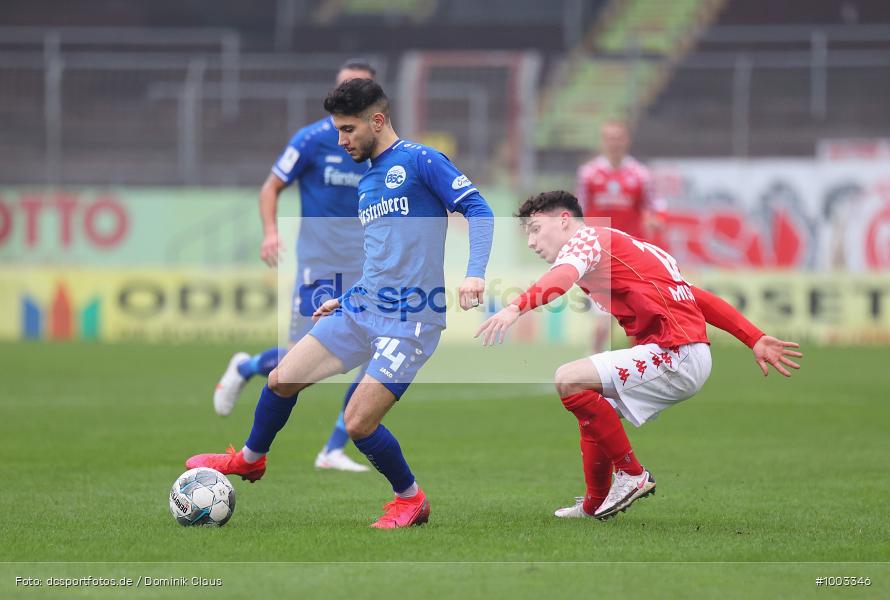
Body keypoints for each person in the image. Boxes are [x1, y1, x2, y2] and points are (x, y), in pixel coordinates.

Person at [187, 79, 495, 528]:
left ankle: (411, 499)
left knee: (357, 424)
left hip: (410, 320)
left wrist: (475, 273)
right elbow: (382, 258)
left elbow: (479, 210)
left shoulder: (421, 160)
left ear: (377, 120)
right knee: (281, 378)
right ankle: (251, 460)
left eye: (348, 129)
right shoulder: (369, 180)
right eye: (337, 130)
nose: (341, 140)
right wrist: (346, 299)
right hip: (361, 309)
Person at [476, 190, 801, 520]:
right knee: (594, 413)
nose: (531, 241)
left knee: (568, 379)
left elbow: (559, 280)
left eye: (534, 228)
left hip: (675, 353)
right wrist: (754, 337)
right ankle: (595, 504)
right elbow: (695, 297)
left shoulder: (586, 240)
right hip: (679, 352)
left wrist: (515, 308)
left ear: (563, 221)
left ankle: (631, 474)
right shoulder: (623, 246)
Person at [212, 59, 377, 473]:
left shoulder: (380, 147)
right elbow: (271, 186)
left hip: (366, 269)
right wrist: (270, 232)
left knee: (377, 351)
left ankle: (333, 449)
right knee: (299, 358)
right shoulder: (311, 140)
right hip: (320, 266)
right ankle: (247, 366)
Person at [576, 120, 665, 351]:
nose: (614, 143)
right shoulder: (588, 174)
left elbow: (655, 205)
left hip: (631, 257)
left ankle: (638, 372)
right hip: (600, 256)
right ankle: (593, 374)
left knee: (638, 319)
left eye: (618, 138)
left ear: (626, 140)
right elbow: (580, 209)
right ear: (603, 142)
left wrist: (656, 220)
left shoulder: (641, 175)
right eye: (609, 138)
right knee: (603, 322)